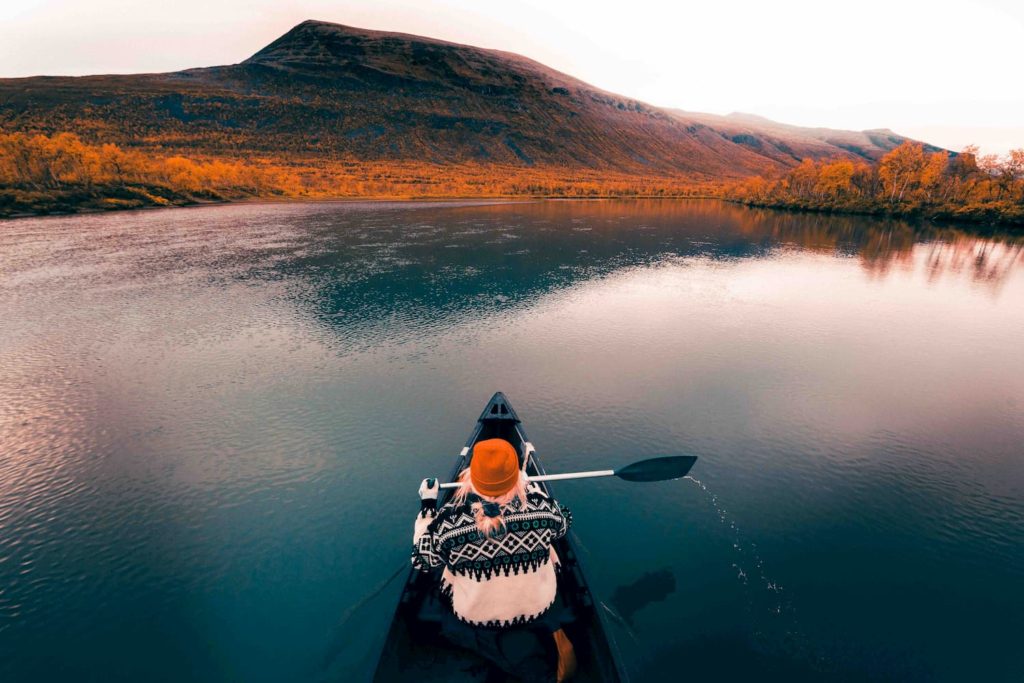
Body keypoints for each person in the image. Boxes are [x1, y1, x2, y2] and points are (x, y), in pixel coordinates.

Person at [413, 437, 577, 682]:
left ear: (472, 478)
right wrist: (532, 490)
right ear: (516, 478)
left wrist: (427, 505)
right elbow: (564, 522)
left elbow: (422, 560)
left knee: (444, 563)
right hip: (538, 608)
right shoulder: (542, 509)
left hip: (474, 616)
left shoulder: (449, 523)